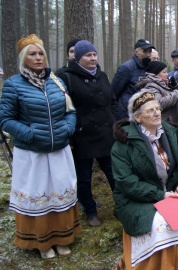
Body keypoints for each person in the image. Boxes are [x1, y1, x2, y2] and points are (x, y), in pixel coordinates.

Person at [0, 34, 80, 259]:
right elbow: (5, 119)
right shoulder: (13, 84)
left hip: (59, 149)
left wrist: (67, 128)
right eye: (32, 54)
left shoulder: (56, 81)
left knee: (60, 192)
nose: (38, 58)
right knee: (38, 195)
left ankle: (62, 238)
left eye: (40, 54)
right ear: (24, 58)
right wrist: (31, 133)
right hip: (31, 152)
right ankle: (42, 242)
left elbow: (70, 110)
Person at [111, 90, 178, 269]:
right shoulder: (124, 142)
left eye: (157, 108)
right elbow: (126, 182)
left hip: (171, 193)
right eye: (150, 111)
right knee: (162, 223)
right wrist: (160, 195)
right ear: (137, 118)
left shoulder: (169, 133)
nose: (156, 113)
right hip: (136, 199)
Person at [57, 40, 117, 227]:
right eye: (88, 55)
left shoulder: (102, 75)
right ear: (78, 58)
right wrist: (74, 130)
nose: (93, 58)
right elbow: (65, 107)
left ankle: (122, 206)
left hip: (107, 134)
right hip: (83, 135)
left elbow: (112, 102)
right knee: (83, 178)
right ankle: (90, 211)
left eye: (94, 54)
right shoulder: (67, 77)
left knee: (115, 174)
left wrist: (116, 123)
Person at [111, 39, 155, 119]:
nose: (148, 54)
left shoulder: (149, 68)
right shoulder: (126, 68)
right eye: (145, 51)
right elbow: (113, 93)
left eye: (150, 51)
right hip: (127, 114)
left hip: (145, 113)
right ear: (136, 52)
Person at [136, 58, 178, 129]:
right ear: (155, 74)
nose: (167, 74)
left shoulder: (160, 83)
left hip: (169, 122)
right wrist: (177, 93)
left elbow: (165, 93)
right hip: (163, 123)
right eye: (164, 72)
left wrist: (173, 86)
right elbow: (160, 103)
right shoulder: (150, 86)